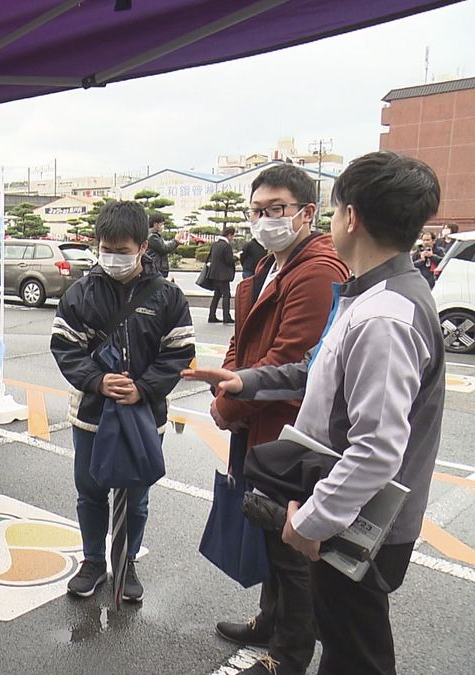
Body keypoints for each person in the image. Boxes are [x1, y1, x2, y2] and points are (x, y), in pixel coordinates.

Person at [185, 152, 445, 675]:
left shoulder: (385, 317)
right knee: (348, 641)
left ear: (350, 217)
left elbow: (376, 449)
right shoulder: (372, 295)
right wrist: (244, 380)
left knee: (355, 654)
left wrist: (312, 520)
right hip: (346, 507)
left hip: (356, 518)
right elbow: (312, 367)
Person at [211, 164, 348, 675]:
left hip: (289, 432)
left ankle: (288, 656)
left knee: (293, 548)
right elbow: (241, 343)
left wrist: (228, 403)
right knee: (271, 531)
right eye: (257, 211)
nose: (264, 220)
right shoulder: (273, 263)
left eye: (276, 210)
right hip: (261, 422)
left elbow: (289, 357)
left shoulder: (316, 270)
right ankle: (268, 621)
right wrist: (226, 384)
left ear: (307, 213)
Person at [51, 201, 195, 602]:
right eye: (106, 248)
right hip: (91, 417)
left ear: (143, 246)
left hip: (144, 417)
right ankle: (94, 561)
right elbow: (65, 347)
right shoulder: (80, 293)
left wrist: (144, 388)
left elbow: (179, 351)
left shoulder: (167, 297)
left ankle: (127, 561)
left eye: (122, 249)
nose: (113, 257)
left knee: (135, 496)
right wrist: (97, 381)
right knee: (90, 492)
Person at [207, 226, 237, 323]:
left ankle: (212, 315)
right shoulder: (226, 246)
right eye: (232, 236)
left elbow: (209, 258)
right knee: (226, 295)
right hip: (223, 275)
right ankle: (226, 317)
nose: (232, 238)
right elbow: (229, 260)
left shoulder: (215, 244)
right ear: (229, 235)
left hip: (214, 274)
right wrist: (237, 257)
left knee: (217, 295)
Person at [145, 213, 178, 278]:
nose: (163, 226)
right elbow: (164, 248)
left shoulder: (153, 235)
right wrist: (176, 241)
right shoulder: (152, 236)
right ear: (156, 224)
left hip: (155, 267)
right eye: (162, 224)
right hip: (156, 267)